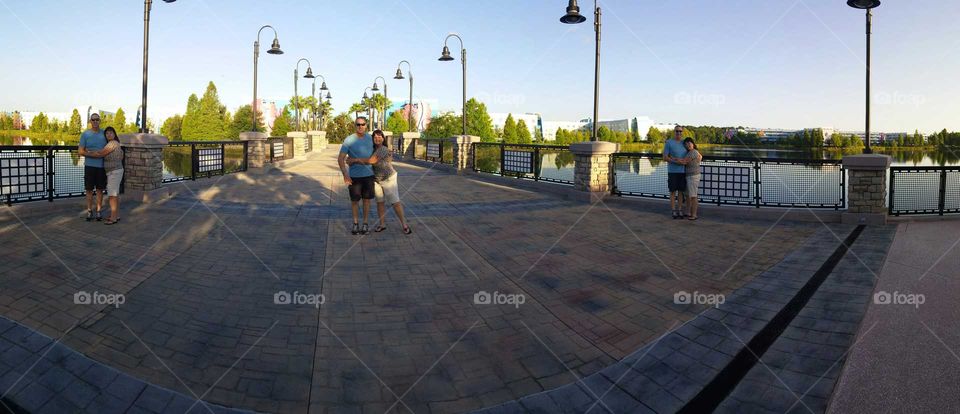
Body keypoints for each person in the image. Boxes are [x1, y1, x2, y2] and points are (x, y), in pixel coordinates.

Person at [347, 130, 412, 234]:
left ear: (383, 138)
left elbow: (372, 161)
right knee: (380, 202)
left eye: (380, 137)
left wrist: (354, 160)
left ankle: (404, 224)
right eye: (375, 137)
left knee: (395, 202)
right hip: (376, 179)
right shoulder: (371, 149)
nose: (377, 139)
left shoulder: (383, 149)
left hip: (388, 179)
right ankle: (382, 224)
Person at [338, 116, 376, 235]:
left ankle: (365, 224)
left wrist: (355, 160)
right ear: (355, 126)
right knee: (354, 201)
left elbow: (374, 159)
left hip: (369, 175)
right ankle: (355, 224)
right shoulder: (349, 140)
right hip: (354, 177)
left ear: (366, 126)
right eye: (358, 124)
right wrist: (345, 174)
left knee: (366, 201)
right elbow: (340, 158)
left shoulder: (371, 139)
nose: (360, 126)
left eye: (363, 124)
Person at [92, 127, 124, 225]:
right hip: (115, 171)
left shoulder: (112, 143)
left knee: (112, 196)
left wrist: (87, 153)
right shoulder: (115, 143)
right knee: (115, 195)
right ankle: (116, 215)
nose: (109, 135)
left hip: (114, 172)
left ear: (114, 134)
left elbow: (102, 153)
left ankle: (113, 218)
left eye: (111, 133)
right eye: (107, 134)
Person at [78, 113, 107, 221]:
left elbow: (111, 146)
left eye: (97, 120)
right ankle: (89, 211)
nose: (95, 121)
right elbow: (80, 151)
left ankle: (99, 211)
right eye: (93, 120)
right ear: (90, 121)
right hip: (89, 166)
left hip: (101, 167)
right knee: (89, 190)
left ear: (100, 121)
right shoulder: (85, 134)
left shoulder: (104, 133)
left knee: (100, 190)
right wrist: (92, 154)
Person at [662, 126, 688, 219]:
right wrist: (676, 161)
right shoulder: (669, 142)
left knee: (681, 192)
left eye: (680, 131)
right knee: (672, 191)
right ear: (674, 132)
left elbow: (692, 152)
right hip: (672, 171)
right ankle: (673, 210)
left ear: (682, 132)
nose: (679, 133)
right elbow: (665, 157)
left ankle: (680, 209)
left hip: (683, 171)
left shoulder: (685, 142)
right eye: (677, 131)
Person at [676, 138, 702, 220]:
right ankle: (688, 212)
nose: (688, 145)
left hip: (693, 176)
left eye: (689, 143)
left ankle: (694, 215)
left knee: (693, 196)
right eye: (686, 144)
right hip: (689, 176)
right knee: (687, 195)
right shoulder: (689, 152)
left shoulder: (693, 152)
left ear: (693, 143)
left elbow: (685, 162)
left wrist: (673, 159)